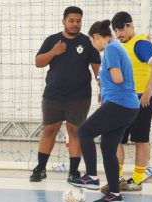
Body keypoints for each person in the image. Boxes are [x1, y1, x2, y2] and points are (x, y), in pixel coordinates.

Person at [68, 20, 139, 202]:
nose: (93, 46)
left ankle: (91, 176)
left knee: (84, 131)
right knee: (108, 146)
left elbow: (118, 78)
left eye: (92, 41)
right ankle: (115, 194)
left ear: (96, 37)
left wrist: (105, 79)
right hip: (127, 106)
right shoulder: (116, 47)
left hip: (120, 104)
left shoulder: (111, 49)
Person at [31, 6, 101, 183]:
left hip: (79, 97)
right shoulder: (53, 40)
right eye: (71, 20)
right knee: (49, 130)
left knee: (75, 131)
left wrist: (104, 90)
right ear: (64, 21)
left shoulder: (87, 42)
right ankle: (40, 168)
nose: (75, 24)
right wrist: (54, 51)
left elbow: (97, 70)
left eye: (78, 21)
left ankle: (74, 171)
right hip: (53, 95)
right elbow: (38, 62)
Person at [99, 11, 152, 194]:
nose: (119, 34)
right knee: (115, 139)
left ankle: (136, 180)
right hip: (121, 101)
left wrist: (148, 92)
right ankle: (118, 178)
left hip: (140, 100)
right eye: (116, 31)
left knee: (140, 139)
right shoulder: (118, 46)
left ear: (130, 26)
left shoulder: (141, 43)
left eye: (121, 29)